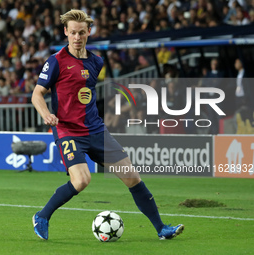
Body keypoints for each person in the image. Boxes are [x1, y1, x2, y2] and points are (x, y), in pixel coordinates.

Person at [31, 9, 184, 241]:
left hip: (95, 129)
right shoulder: (55, 62)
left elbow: (84, 92)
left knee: (132, 177)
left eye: (81, 32)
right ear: (65, 32)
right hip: (68, 130)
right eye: (72, 32)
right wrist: (46, 114)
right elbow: (37, 94)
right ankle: (42, 216)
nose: (77, 37)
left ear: (89, 32)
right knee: (81, 180)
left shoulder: (96, 61)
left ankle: (161, 229)